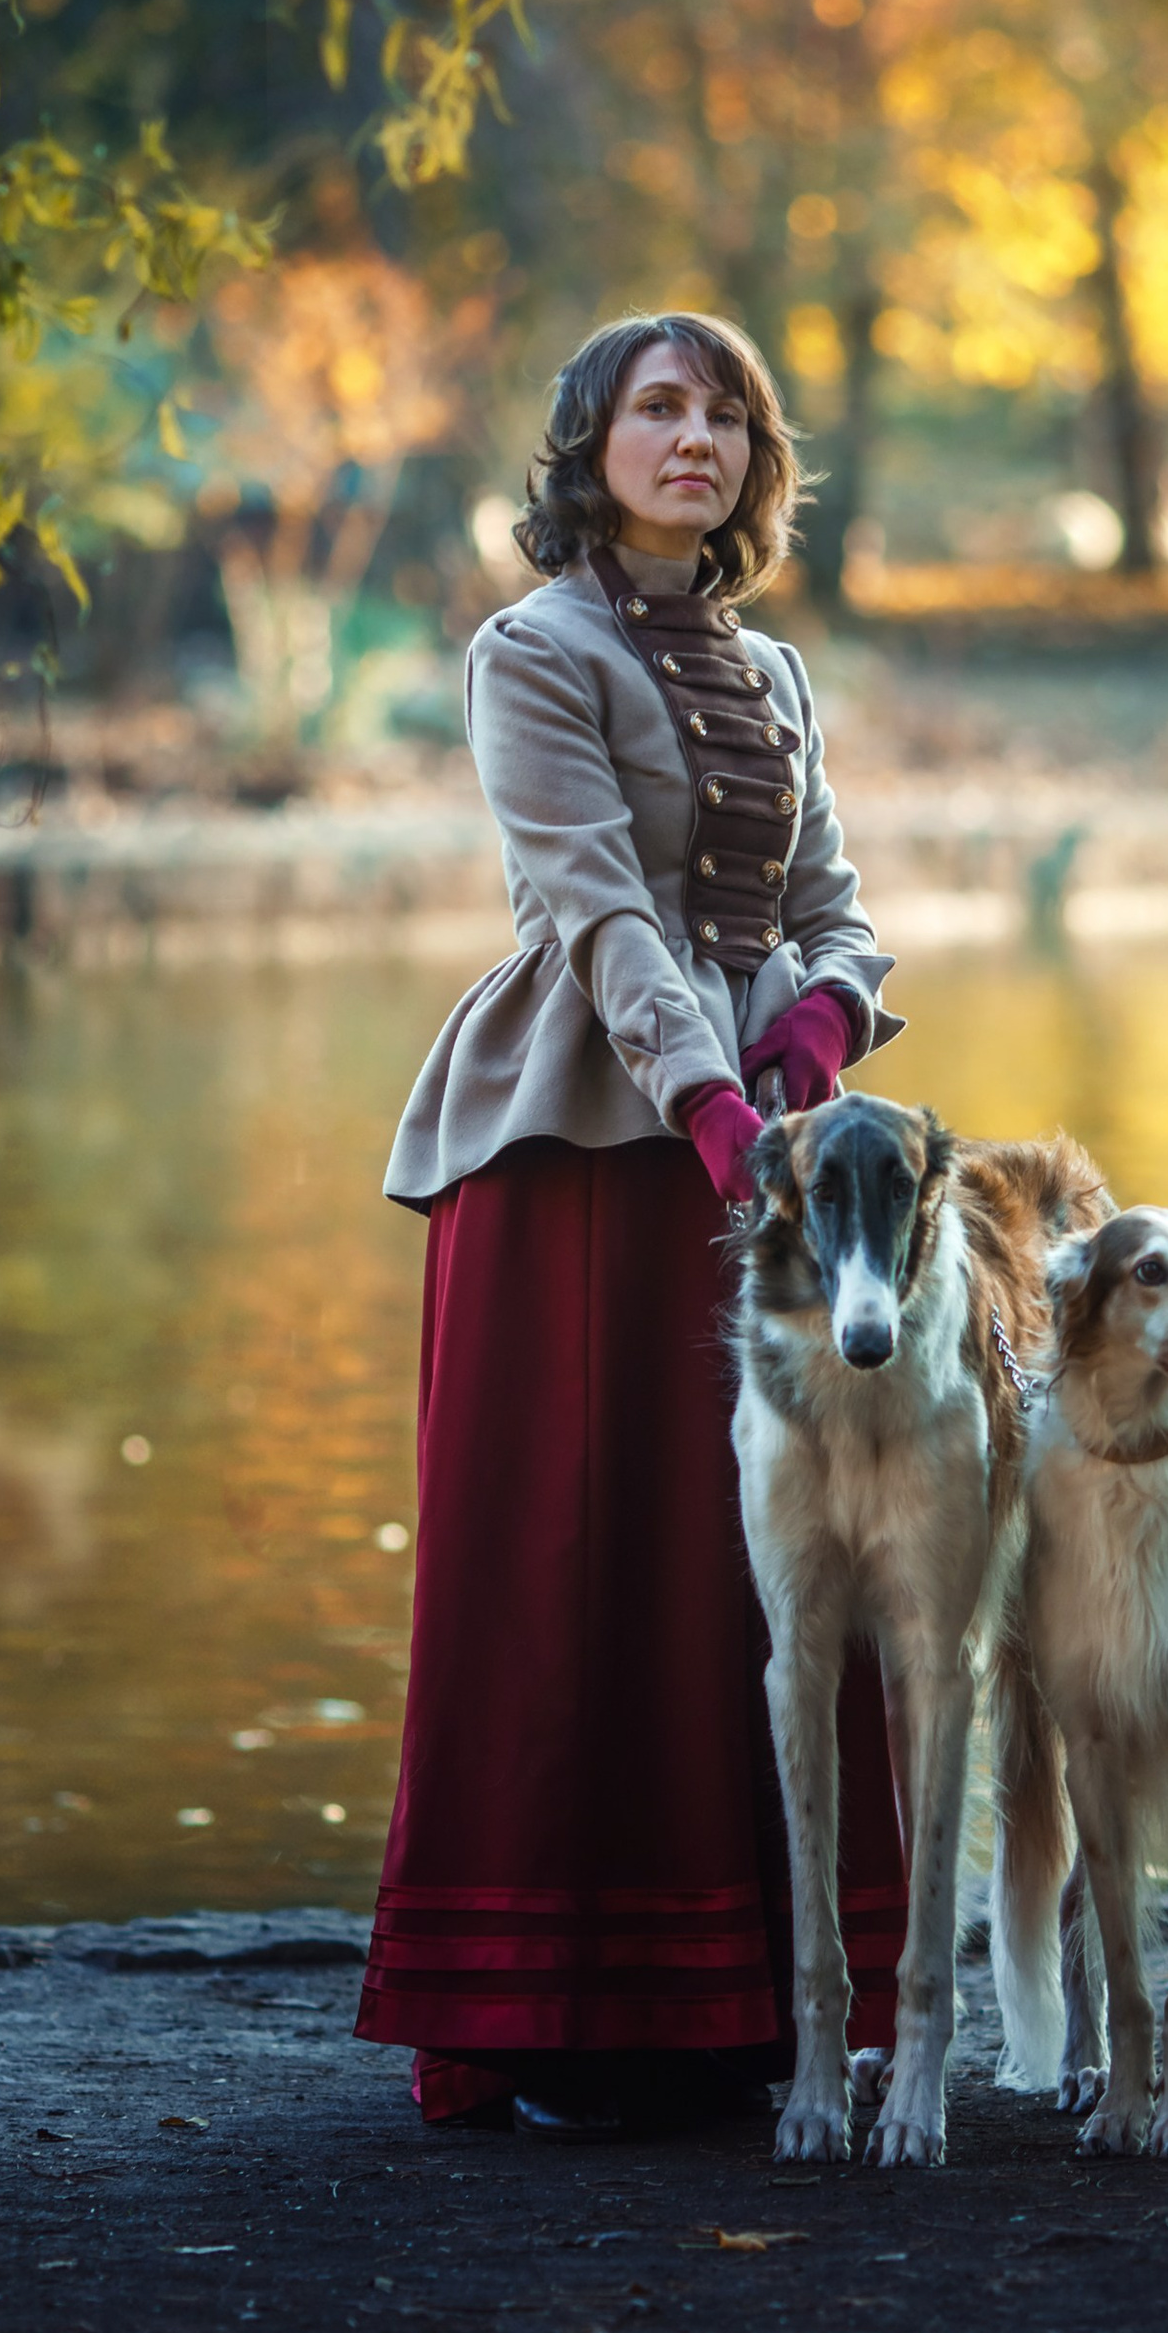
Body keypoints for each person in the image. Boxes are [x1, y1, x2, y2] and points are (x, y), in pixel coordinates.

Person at [353, 312, 909, 2136]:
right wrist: (720, 1105)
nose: (697, 438)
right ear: (588, 444)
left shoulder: (778, 676)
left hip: (757, 1159)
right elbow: (599, 919)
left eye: (726, 414)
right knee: (579, 1568)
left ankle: (756, 1997)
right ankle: (536, 2009)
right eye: (658, 409)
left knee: (761, 1570)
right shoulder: (532, 651)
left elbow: (832, 901)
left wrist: (823, 1023)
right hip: (586, 1153)